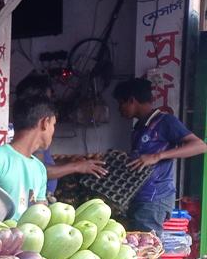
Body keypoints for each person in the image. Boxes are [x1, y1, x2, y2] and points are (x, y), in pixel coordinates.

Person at [113, 77, 207, 235]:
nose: (119, 109)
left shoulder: (165, 122)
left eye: (121, 103)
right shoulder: (139, 126)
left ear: (132, 100)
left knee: (147, 251)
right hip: (140, 197)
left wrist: (157, 156)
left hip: (155, 198)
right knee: (140, 248)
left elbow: (200, 146)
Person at [14, 73, 106, 197]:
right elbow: (39, 171)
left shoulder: (39, 137)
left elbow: (40, 165)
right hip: (34, 200)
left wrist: (67, 162)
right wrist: (76, 166)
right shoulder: (33, 136)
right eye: (48, 97)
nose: (51, 101)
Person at [0, 97, 58, 220]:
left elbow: (39, 215)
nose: (53, 131)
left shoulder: (40, 169)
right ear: (45, 122)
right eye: (53, 125)